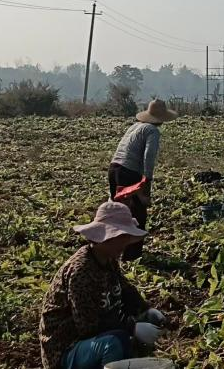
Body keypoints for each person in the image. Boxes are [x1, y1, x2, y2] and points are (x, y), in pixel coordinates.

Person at [39, 201, 166, 369]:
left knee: (130, 333)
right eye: (122, 237)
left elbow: (125, 289)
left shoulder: (107, 260)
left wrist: (146, 310)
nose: (126, 243)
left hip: (94, 337)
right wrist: (132, 328)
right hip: (67, 348)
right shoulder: (81, 272)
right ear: (106, 237)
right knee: (115, 342)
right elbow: (88, 326)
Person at [108, 99, 177, 261]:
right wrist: (147, 181)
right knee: (137, 214)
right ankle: (132, 255)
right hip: (129, 173)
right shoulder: (152, 131)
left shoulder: (134, 126)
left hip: (114, 169)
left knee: (116, 210)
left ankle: (110, 248)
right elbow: (149, 156)